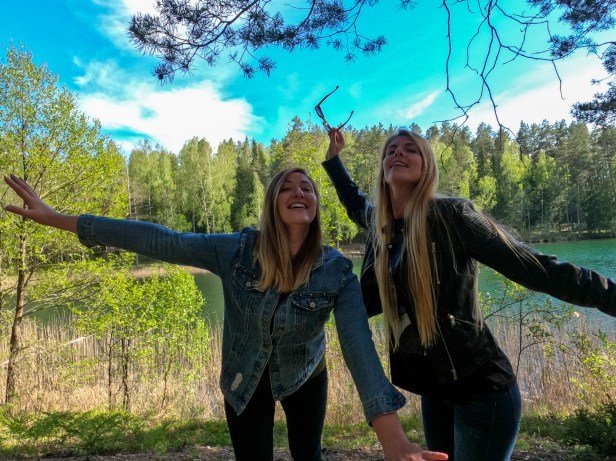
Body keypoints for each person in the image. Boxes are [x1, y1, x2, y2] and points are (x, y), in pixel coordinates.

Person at [4, 171, 448, 461]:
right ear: (273, 202)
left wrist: (392, 436)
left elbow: (357, 346)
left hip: (305, 377)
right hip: (244, 381)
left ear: (315, 205)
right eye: (288, 187)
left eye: (308, 187)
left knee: (308, 456)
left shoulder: (336, 270)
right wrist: (60, 219)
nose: (299, 192)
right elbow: (160, 240)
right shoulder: (235, 250)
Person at [322, 127, 616, 461]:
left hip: (482, 391)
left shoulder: (453, 216)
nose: (398, 153)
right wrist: (333, 160)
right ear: (383, 169)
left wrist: (609, 296)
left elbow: (535, 267)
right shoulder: (381, 223)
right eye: (391, 150)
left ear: (427, 166)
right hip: (435, 390)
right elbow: (354, 201)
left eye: (410, 149)